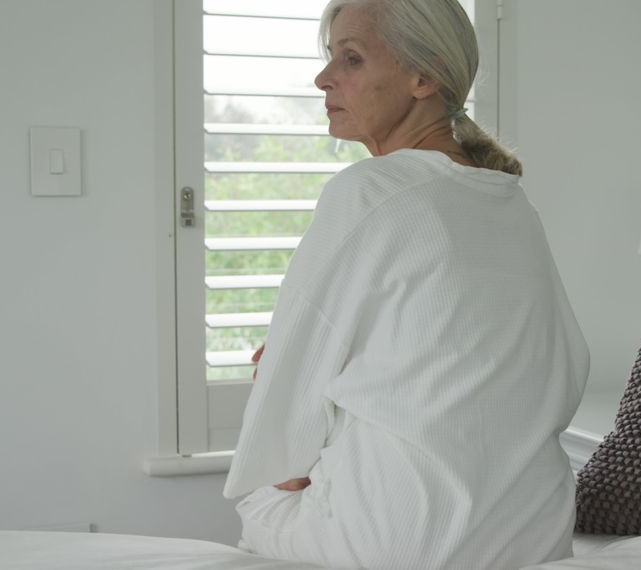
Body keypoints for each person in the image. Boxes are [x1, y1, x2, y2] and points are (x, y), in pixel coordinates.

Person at [223, 0, 590, 568]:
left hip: (404, 546)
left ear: (424, 77)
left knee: (260, 498)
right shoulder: (510, 201)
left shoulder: (371, 190)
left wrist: (293, 411)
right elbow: (555, 371)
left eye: (351, 58)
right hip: (535, 539)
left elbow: (280, 435)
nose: (324, 78)